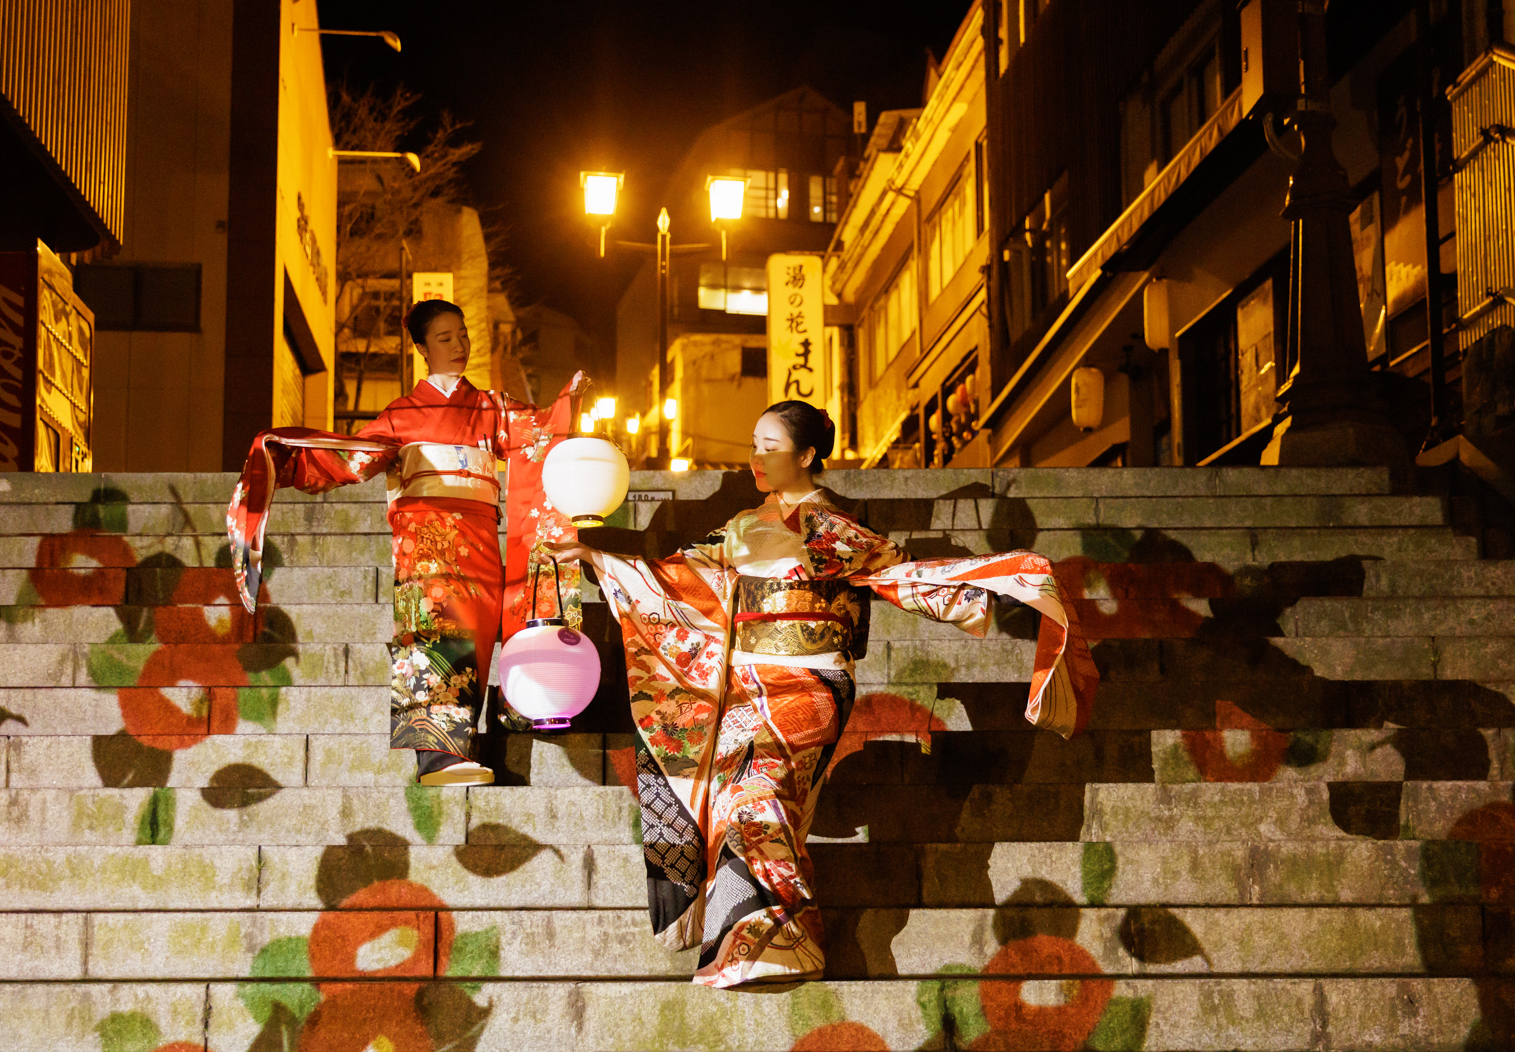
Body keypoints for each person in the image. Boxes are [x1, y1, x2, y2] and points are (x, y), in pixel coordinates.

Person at [550, 400, 1096, 989]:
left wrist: (1009, 579)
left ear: (807, 454)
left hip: (809, 681)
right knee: (735, 800)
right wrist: (599, 558)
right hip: (746, 684)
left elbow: (898, 574)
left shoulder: (832, 529)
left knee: (758, 790)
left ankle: (779, 939)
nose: (756, 458)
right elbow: (676, 578)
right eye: (753, 446)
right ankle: (764, 939)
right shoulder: (740, 527)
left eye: (770, 447)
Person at [227, 298, 586, 785]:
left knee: (478, 637)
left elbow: (539, 434)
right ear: (422, 348)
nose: (459, 345)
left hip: (480, 538)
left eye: (462, 335)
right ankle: (437, 756)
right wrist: (285, 460)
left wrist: (568, 401)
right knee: (437, 631)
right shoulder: (403, 415)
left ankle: (464, 746)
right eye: (444, 338)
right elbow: (351, 459)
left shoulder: (491, 407)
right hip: (427, 537)